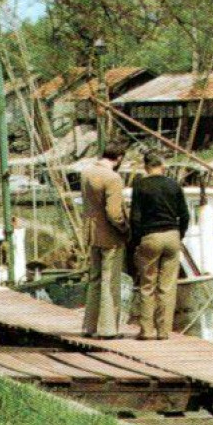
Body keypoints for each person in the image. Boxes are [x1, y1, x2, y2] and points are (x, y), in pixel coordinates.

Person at [127, 150, 189, 341]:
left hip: (150, 236)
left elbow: (135, 218)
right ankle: (163, 331)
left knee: (148, 285)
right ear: (162, 165)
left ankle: (146, 330)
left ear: (146, 167)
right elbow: (185, 215)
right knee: (167, 287)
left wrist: (136, 241)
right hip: (172, 235)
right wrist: (180, 235)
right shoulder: (174, 185)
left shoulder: (140, 186)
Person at [80, 140, 129, 338]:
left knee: (95, 279)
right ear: (118, 159)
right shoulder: (113, 178)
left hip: (91, 231)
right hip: (109, 234)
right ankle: (108, 329)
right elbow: (114, 212)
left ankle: (89, 326)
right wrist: (124, 228)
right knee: (110, 280)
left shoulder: (86, 172)